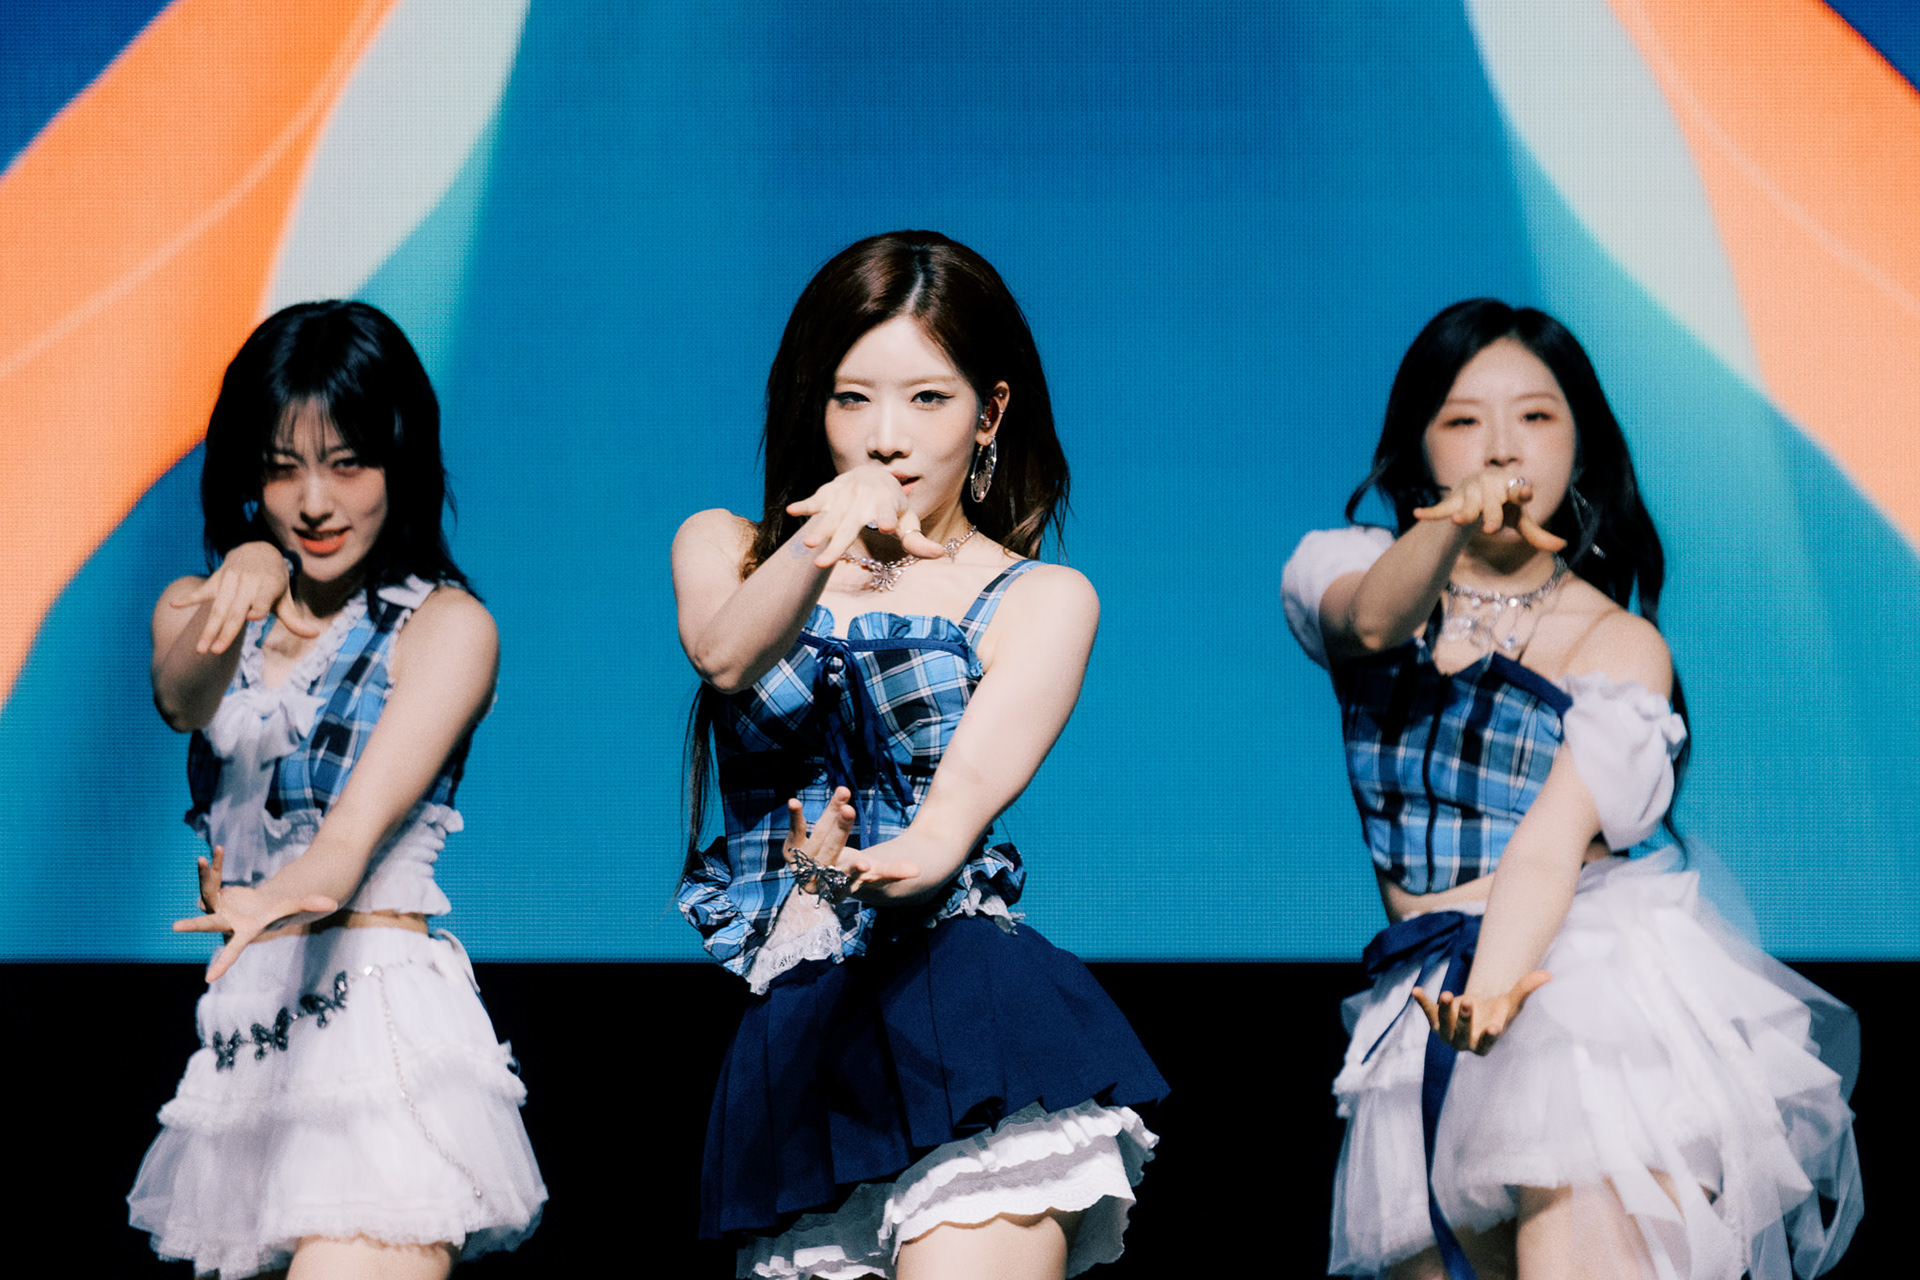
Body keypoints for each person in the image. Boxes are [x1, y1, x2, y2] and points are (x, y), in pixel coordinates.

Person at [1281, 300, 1861, 1280]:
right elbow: (1375, 623)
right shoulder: (1345, 567)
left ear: (1582, 445)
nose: (1502, 447)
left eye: (1536, 416)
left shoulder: (1616, 642)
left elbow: (1549, 844)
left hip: (1576, 989)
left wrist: (1494, 986)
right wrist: (1450, 525)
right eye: (1464, 419)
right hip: (1426, 1004)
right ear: (1418, 448)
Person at [674, 231, 1167, 1280]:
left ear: (989, 413)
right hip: (798, 1041)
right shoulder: (725, 546)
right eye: (852, 399)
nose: (886, 438)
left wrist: (880, 864)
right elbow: (724, 656)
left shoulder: (1039, 597)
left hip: (959, 1005)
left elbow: (951, 821)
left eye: (928, 400)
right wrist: (826, 540)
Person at [128, 301, 545, 1277]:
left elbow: (345, 846)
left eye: (348, 463)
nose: (315, 501)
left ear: (401, 465)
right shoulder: (193, 607)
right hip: (246, 1044)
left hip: (374, 1032)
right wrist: (243, 578)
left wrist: (273, 896)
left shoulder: (444, 627)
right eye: (283, 468)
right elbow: (181, 698)